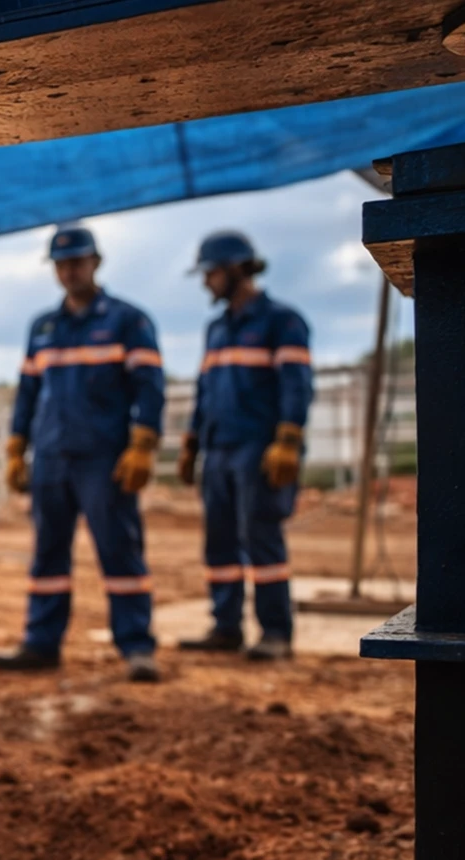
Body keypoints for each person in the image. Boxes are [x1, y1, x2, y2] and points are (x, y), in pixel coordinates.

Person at [0, 225, 166, 682]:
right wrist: (16, 447)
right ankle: (40, 643)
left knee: (120, 553)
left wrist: (143, 445)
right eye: (61, 263)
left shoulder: (129, 320)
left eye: (77, 261)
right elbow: (28, 391)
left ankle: (137, 647)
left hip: (105, 460)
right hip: (51, 458)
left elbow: (150, 388)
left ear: (96, 262)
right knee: (47, 556)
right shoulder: (44, 328)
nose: (70, 270)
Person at [176, 231, 314, 661]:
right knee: (219, 544)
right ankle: (226, 627)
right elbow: (205, 390)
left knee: (261, 541)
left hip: (259, 450)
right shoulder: (216, 329)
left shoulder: (282, 321)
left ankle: (275, 632)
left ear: (236, 269)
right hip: (218, 451)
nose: (206, 283)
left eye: (211, 273)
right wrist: (191, 442)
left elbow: (297, 385)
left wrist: (288, 439)